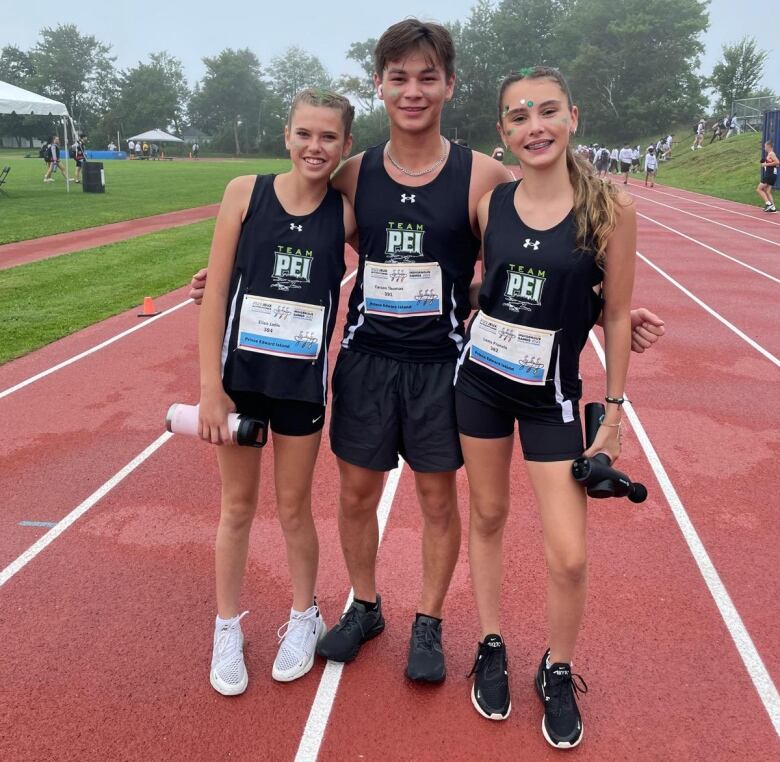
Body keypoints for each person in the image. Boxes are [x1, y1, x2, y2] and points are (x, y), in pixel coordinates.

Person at [188, 18, 666, 686]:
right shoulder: (353, 174)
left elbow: (515, 261)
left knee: (438, 501)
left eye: (427, 77)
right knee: (355, 495)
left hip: (443, 367)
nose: (413, 91)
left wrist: (594, 300)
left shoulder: (483, 176)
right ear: (379, 86)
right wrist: (232, 279)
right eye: (398, 77)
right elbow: (304, 237)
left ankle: (430, 620)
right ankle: (364, 604)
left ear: (449, 84)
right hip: (366, 361)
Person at [456, 66, 636, 749]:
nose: (535, 125)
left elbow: (615, 315)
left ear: (572, 118)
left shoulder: (611, 208)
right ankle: (491, 643)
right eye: (519, 115)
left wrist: (613, 410)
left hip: (553, 398)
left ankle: (557, 668)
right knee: (489, 514)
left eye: (547, 111)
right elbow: (482, 287)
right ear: (503, 132)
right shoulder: (490, 205)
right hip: (480, 384)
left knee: (568, 556)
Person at [196, 88, 356, 696]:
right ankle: (227, 626)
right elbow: (215, 294)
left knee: (294, 509)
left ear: (345, 146)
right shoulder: (245, 193)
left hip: (301, 386)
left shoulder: (345, 213)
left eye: (329, 138)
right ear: (286, 135)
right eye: (305, 134)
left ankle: (303, 615)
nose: (315, 147)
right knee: (235, 508)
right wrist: (211, 386)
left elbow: (412, 260)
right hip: (240, 382)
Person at [757, 140, 778, 213]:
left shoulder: (771, 153)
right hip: (773, 174)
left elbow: (778, 162)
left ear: (768, 146)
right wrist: (767, 162)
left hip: (770, 174)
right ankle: (773, 208)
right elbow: (776, 164)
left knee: (759, 189)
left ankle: (768, 204)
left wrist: (766, 164)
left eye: (765, 146)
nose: (764, 148)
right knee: (768, 191)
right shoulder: (770, 154)